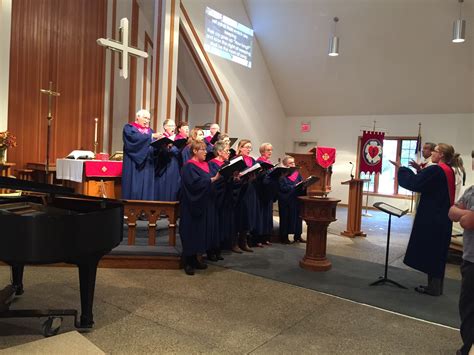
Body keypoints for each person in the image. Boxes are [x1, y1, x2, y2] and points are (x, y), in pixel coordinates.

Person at [391, 143, 456, 296]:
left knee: (431, 250)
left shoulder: (436, 169)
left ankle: (433, 288)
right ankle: (435, 286)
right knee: (437, 252)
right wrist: (420, 171)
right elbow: (431, 183)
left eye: (435, 150)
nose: (432, 153)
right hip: (442, 216)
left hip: (432, 217)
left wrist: (401, 168)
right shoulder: (448, 171)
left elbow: (415, 183)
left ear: (441, 155)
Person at [179, 140, 221, 275]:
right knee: (191, 232)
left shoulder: (206, 165)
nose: (206, 152)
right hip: (192, 205)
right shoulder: (188, 166)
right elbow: (194, 185)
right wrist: (212, 180)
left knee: (200, 233)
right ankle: (188, 262)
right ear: (195, 151)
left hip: (204, 204)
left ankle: (197, 258)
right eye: (203, 149)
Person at [449, 186, 474, 355]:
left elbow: (467, 222)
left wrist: (462, 214)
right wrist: (463, 213)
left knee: (471, 309)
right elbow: (451, 211)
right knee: (466, 307)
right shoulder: (471, 190)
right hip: (469, 257)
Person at [122, 109, 160, 200]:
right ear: (137, 117)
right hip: (134, 163)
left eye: (149, 119)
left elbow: (154, 145)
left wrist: (161, 143)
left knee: (147, 188)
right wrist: (151, 137)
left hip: (148, 164)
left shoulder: (150, 131)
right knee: (134, 188)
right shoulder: (129, 128)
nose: (147, 120)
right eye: (145, 118)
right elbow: (133, 139)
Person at [234, 139, 258, 252]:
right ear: (240, 147)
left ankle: (244, 241)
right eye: (246, 147)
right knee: (239, 216)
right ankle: (234, 243)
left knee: (247, 215)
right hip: (239, 190)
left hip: (250, 189)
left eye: (250, 147)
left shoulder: (252, 160)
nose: (248, 149)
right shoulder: (236, 159)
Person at [254, 143, 277, 246]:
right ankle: (258, 238)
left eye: (271, 150)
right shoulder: (259, 162)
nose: (270, 152)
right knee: (260, 215)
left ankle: (265, 237)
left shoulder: (269, 163)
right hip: (260, 192)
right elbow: (258, 178)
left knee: (267, 216)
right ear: (262, 151)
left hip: (268, 192)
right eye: (268, 150)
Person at [278, 155, 304, 244]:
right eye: (290, 163)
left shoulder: (297, 174)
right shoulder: (282, 175)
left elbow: (301, 183)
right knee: (286, 218)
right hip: (286, 200)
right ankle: (284, 237)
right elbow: (281, 188)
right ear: (285, 165)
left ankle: (298, 236)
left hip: (296, 199)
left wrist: (304, 185)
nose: (293, 165)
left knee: (298, 217)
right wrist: (293, 187)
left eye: (293, 163)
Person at [154, 119, 181, 201]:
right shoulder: (160, 137)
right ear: (165, 127)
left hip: (174, 164)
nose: (173, 128)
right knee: (163, 186)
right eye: (170, 126)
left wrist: (173, 147)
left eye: (174, 126)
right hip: (163, 165)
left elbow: (180, 152)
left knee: (174, 186)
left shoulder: (177, 138)